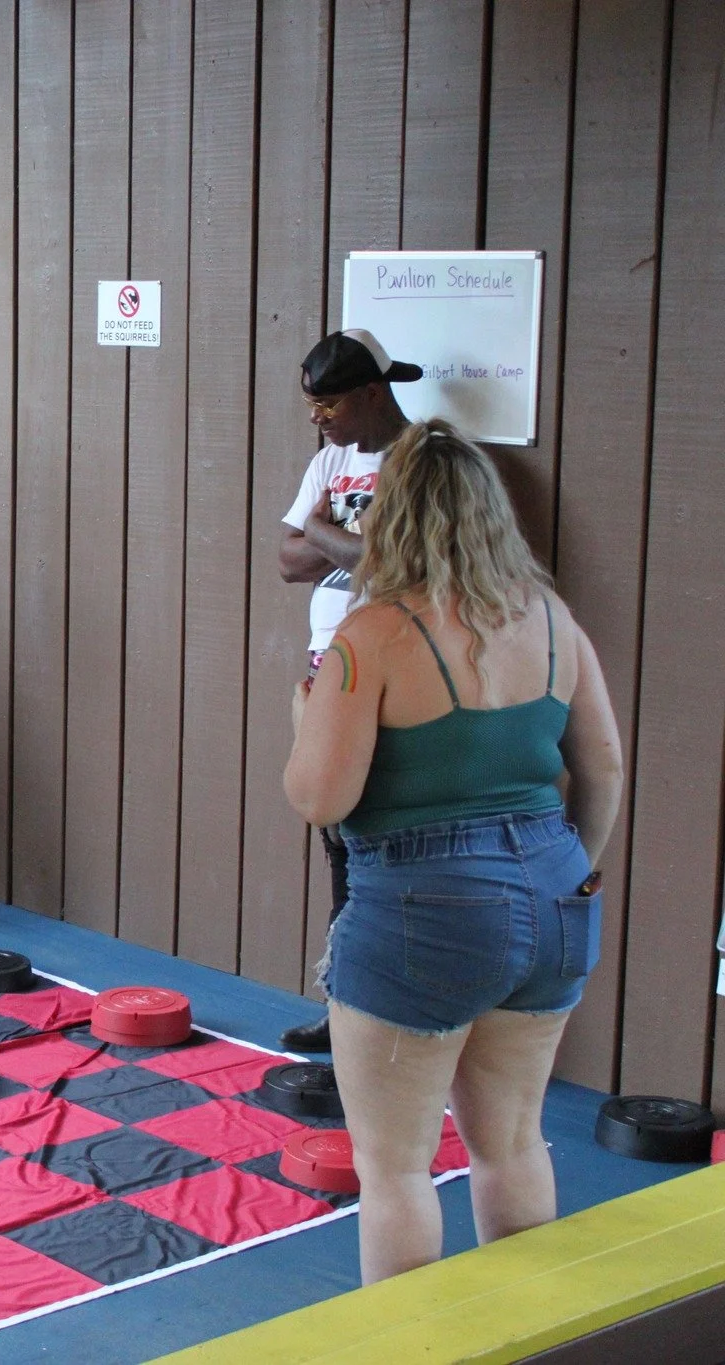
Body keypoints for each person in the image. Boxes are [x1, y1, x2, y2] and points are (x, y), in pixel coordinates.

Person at [284, 419, 623, 1285]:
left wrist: (304, 714)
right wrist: (563, 869)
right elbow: (604, 766)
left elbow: (319, 797)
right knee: (511, 1143)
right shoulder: (551, 619)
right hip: (556, 893)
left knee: (397, 1170)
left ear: (389, 518)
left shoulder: (372, 636)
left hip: (420, 904)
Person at [275, 328, 418, 1053]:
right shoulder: (328, 458)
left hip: (388, 663)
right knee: (336, 832)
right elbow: (287, 559)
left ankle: (385, 1012)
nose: (317, 419)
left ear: (370, 393)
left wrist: (325, 527)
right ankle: (345, 1007)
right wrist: (341, 540)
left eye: (328, 404)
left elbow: (389, 565)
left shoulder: (419, 461)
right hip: (322, 661)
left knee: (381, 836)